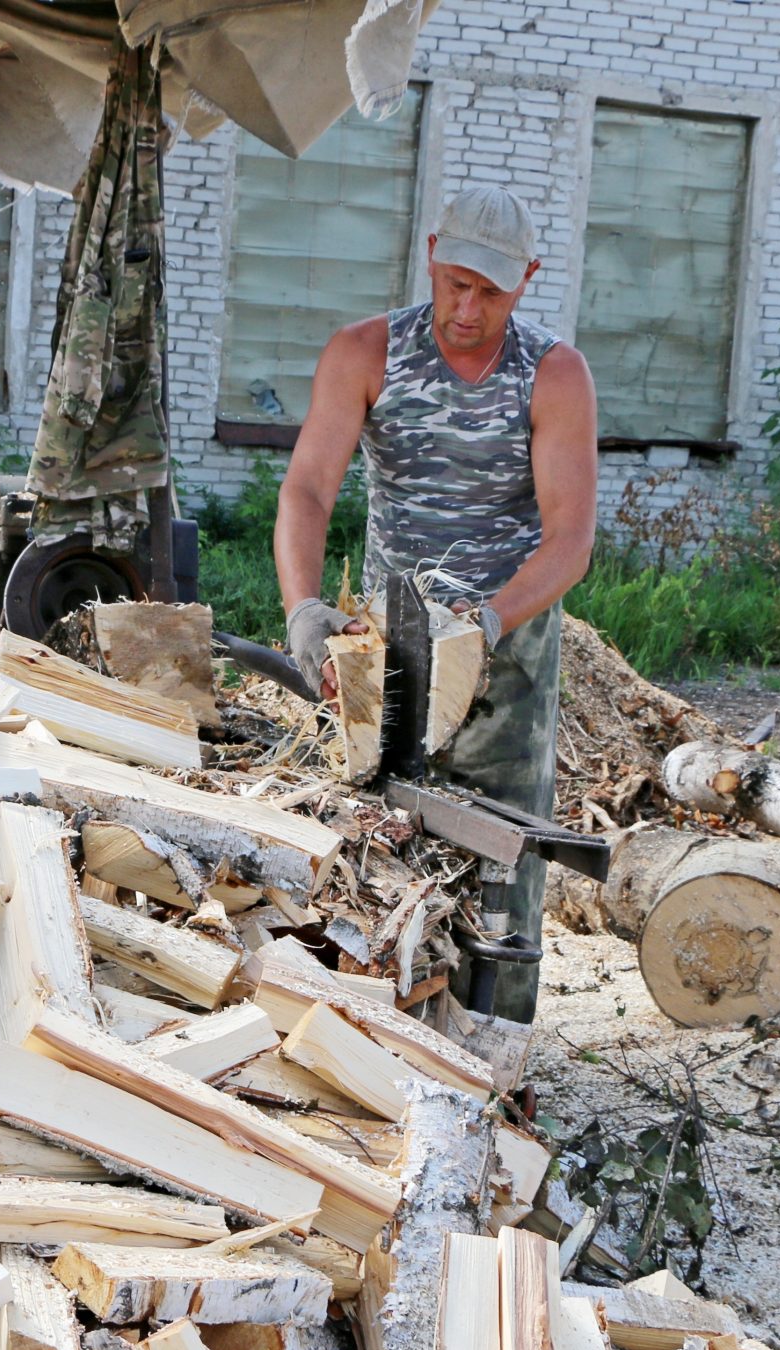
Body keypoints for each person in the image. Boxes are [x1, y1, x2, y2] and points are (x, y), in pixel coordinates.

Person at [273, 185, 597, 1021]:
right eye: (456, 282)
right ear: (430, 254)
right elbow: (309, 487)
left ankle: (498, 1049)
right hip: (390, 647)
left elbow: (569, 540)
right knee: (379, 841)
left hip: (506, 651)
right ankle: (375, 1033)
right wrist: (306, 609)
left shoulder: (553, 374)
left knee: (504, 855)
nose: (467, 307)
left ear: (526, 279)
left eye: (491, 291)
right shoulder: (366, 353)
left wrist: (488, 620)